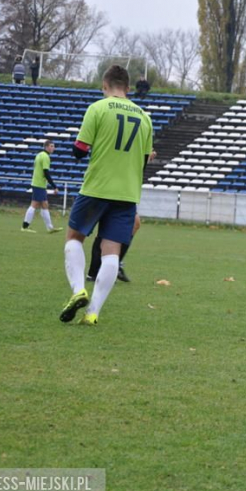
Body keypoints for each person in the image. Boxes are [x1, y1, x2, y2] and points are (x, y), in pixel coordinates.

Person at [60, 65, 153, 326]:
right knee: (111, 252)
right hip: (127, 193)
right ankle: (93, 312)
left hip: (97, 187)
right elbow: (144, 161)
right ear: (127, 87)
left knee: (74, 237)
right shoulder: (145, 117)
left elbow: (79, 150)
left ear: (105, 85)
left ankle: (78, 288)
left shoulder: (98, 109)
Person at [85, 149, 155, 283]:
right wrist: (144, 157)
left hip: (121, 189)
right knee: (105, 231)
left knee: (133, 224)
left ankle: (110, 266)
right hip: (112, 188)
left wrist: (145, 158)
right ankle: (96, 272)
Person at [21, 139, 62, 234]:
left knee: (44, 205)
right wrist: (54, 186)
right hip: (39, 184)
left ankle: (50, 228)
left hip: (38, 183)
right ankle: (25, 226)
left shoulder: (39, 155)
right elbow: (46, 172)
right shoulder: (45, 157)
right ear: (46, 147)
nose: (53, 148)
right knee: (34, 204)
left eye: (53, 146)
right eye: (52, 146)